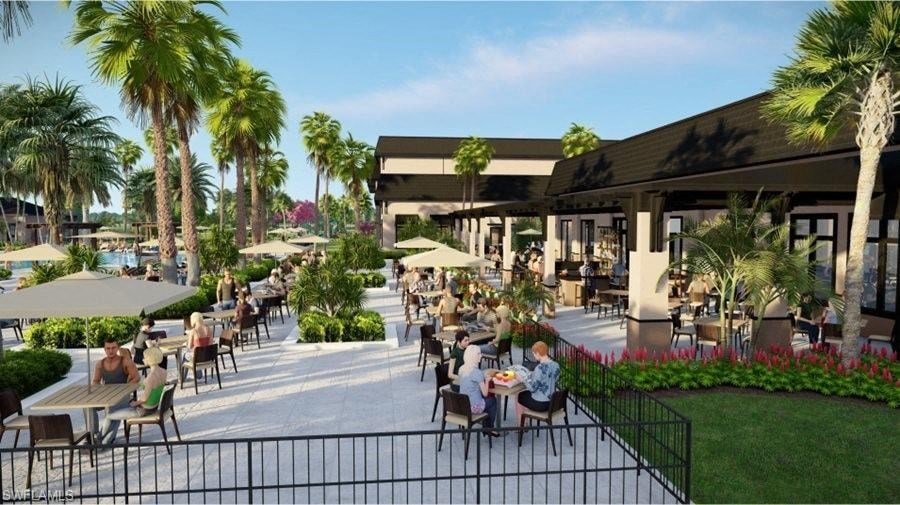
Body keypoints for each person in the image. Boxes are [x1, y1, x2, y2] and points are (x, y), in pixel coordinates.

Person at [101, 347, 167, 445]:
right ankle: (107, 440)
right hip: (153, 407)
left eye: (145, 357)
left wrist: (134, 403)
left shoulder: (150, 378)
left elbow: (144, 399)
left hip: (142, 411)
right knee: (116, 409)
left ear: (151, 359)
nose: (143, 359)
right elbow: (153, 389)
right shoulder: (163, 372)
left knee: (109, 415)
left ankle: (101, 442)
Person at [92, 338, 140, 443]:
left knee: (112, 408)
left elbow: (136, 378)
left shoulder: (126, 362)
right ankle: (94, 434)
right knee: (89, 406)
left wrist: (122, 390)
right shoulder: (100, 364)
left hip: (122, 396)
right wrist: (101, 390)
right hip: (106, 396)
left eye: (113, 348)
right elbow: (95, 381)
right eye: (108, 348)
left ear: (117, 348)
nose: (111, 350)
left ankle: (103, 440)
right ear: (104, 349)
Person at [515, 341, 561, 426]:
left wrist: (522, 380)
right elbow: (555, 379)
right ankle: (524, 422)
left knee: (519, 396)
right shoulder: (556, 365)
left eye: (534, 354)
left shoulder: (539, 368)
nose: (534, 356)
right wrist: (534, 376)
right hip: (551, 402)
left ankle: (521, 425)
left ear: (538, 353)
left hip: (540, 404)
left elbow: (533, 389)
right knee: (525, 394)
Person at [457, 345, 499, 435]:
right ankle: (489, 428)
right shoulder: (477, 373)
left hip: (463, 405)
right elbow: (485, 393)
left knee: (487, 401)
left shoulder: (461, 369)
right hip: (474, 407)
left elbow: (470, 382)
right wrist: (487, 381)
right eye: (479, 354)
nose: (481, 355)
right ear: (472, 356)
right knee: (493, 400)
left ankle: (486, 424)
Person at [184, 311, 214, 380]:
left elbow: (189, 347)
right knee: (196, 354)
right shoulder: (209, 329)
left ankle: (183, 378)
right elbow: (211, 344)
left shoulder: (193, 331)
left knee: (185, 355)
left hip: (197, 358)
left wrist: (187, 343)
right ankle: (199, 375)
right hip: (208, 357)